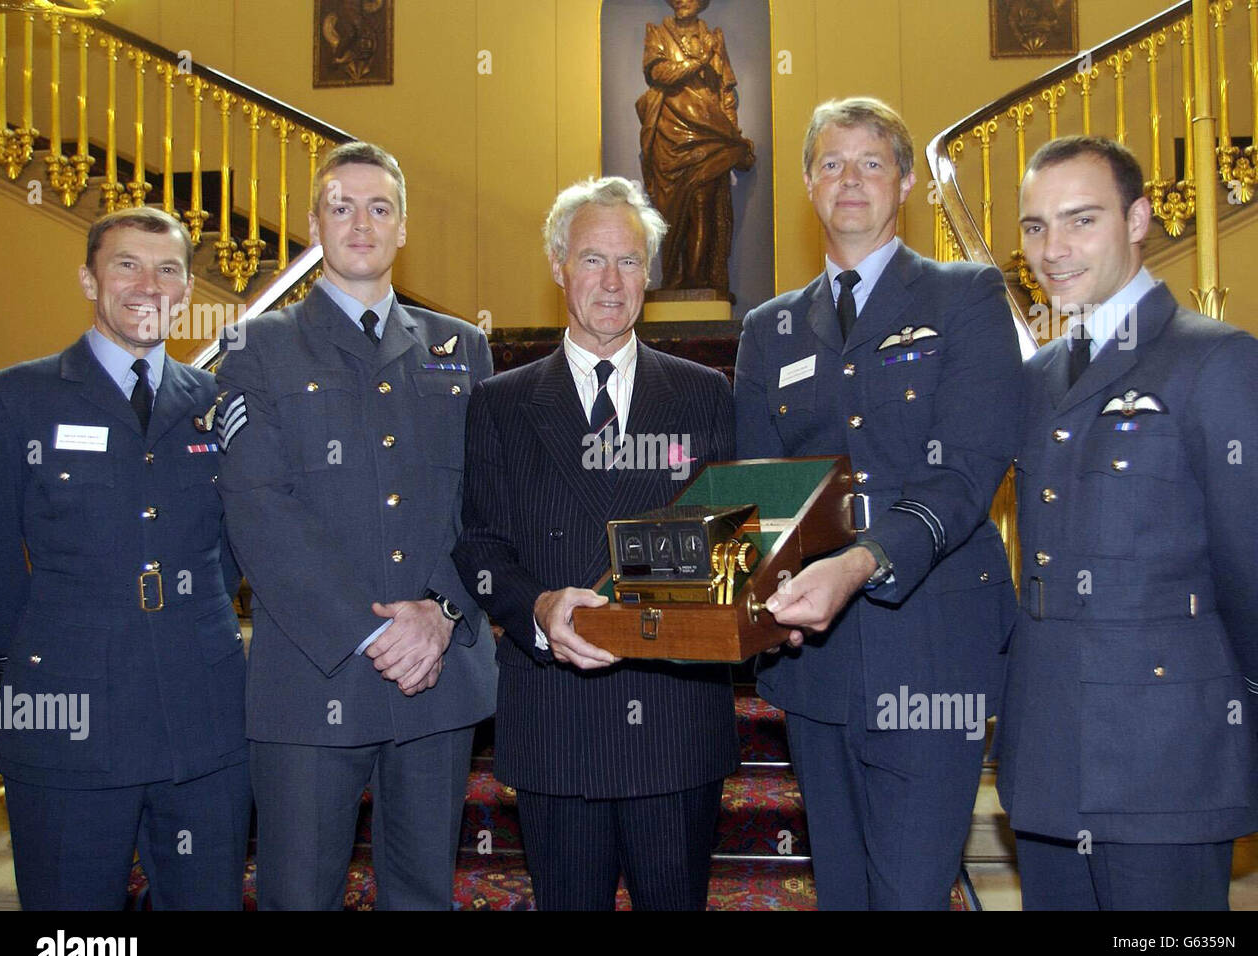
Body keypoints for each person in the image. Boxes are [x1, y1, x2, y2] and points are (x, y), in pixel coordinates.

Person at [734, 97, 1022, 909]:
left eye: (870, 162)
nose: (849, 178)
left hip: (933, 648)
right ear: (807, 186)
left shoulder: (966, 296)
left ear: (903, 185)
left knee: (911, 892)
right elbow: (756, 489)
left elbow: (967, 472)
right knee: (847, 893)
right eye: (831, 163)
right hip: (814, 663)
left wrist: (863, 559)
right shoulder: (770, 327)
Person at [996, 135, 1258, 910]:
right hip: (1051, 748)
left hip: (1167, 751)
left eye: (1080, 220)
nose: (1052, 250)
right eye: (1033, 227)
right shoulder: (1036, 378)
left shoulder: (1217, 360)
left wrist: (1235, 700)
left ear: (1138, 220)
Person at [215, 141, 497, 910]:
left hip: (435, 676)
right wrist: (376, 634)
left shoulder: (459, 348)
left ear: (404, 227)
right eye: (341, 207)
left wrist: (440, 614)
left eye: (380, 207)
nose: (361, 222)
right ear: (315, 225)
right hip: (313, 678)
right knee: (298, 894)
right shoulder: (258, 347)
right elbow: (258, 507)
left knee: (421, 895)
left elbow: (489, 502)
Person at [452, 176, 737, 910]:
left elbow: (734, 545)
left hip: (673, 721)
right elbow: (480, 547)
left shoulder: (705, 394)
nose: (612, 282)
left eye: (630, 261)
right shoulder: (500, 404)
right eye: (592, 260)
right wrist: (540, 608)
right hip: (558, 721)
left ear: (651, 273)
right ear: (557, 265)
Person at [0, 207, 249, 909]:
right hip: (65, 713)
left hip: (202, 712)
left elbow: (228, 552)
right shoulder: (16, 398)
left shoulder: (213, 403)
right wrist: (28, 665)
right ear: (88, 278)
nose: (148, 284)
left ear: (187, 291)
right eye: (126, 264)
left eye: (168, 269)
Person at [637, 0, 754, 291]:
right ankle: (674, 278)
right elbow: (660, 74)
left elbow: (725, 91)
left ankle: (696, 279)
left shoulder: (713, 37)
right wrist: (699, 62)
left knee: (703, 206)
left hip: (708, 132)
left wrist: (731, 133)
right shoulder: (657, 33)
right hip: (670, 135)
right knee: (671, 212)